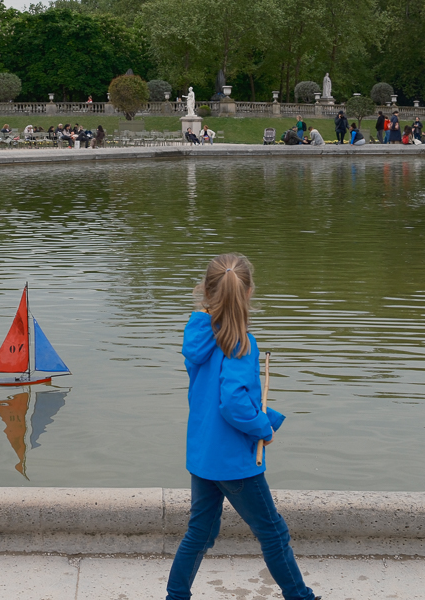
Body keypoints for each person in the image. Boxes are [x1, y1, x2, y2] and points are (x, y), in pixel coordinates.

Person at [166, 254, 317, 600]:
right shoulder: (241, 343)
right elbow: (233, 402)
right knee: (273, 533)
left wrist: (266, 417)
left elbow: (217, 396)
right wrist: (264, 428)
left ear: (205, 290)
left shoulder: (199, 336)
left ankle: (175, 597)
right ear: (248, 293)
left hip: (204, 455)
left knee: (200, 533)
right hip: (234, 461)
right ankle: (301, 597)